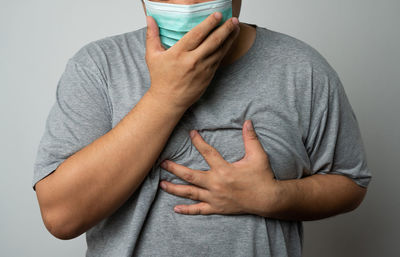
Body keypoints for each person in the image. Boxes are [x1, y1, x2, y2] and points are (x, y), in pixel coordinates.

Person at [32, 0, 372, 256]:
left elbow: (350, 182)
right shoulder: (98, 67)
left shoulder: (302, 69)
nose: (187, 4)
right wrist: (166, 97)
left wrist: (274, 198)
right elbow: (61, 217)